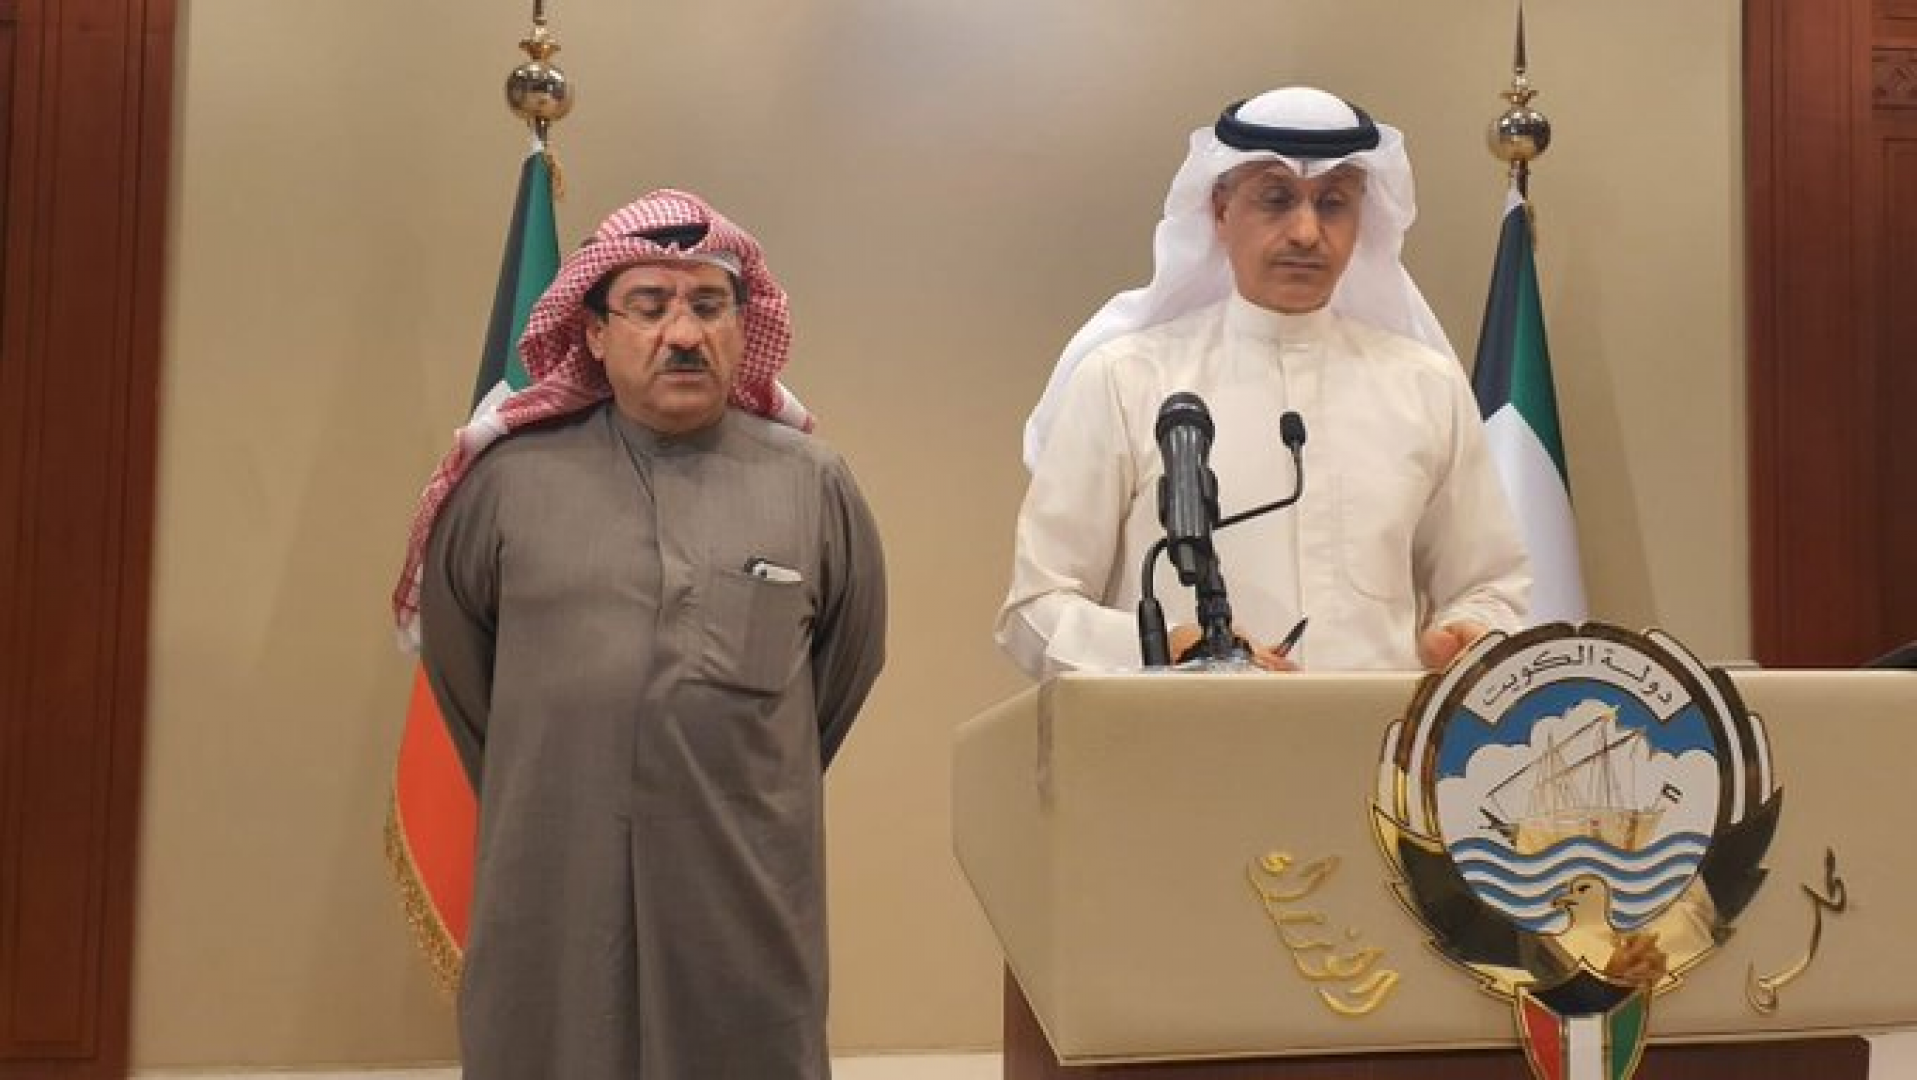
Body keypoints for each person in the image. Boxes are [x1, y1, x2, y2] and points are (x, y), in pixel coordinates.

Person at [392, 189, 887, 1079]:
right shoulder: (504, 485)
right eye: (649, 307)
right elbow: (462, 675)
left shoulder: (812, 485)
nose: (683, 333)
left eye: (708, 305)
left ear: (743, 324)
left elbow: (845, 666)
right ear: (592, 332)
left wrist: (726, 763)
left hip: (740, 873)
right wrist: (568, 767)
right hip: (555, 869)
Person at [997, 87, 1528, 677]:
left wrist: (1471, 634)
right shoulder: (1126, 380)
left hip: (1381, 736)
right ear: (1221, 211)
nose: (1306, 232)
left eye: (1332, 204)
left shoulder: (1427, 389)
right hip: (1182, 734)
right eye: (1276, 199)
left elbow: (1489, 587)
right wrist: (1162, 648)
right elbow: (1034, 611)